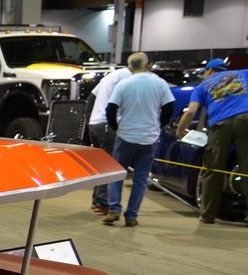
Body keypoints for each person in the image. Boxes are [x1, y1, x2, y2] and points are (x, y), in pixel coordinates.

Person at [102, 52, 174, 227]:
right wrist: (159, 125)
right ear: (148, 64)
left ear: (129, 67)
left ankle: (113, 209)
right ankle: (131, 216)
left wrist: (116, 127)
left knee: (117, 175)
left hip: (126, 135)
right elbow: (169, 106)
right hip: (149, 138)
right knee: (140, 179)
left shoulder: (124, 84)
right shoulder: (160, 83)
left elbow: (110, 109)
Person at [174, 58, 248, 224]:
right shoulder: (243, 73)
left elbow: (191, 111)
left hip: (220, 125)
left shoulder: (202, 86)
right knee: (247, 170)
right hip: (246, 120)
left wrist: (179, 132)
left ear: (208, 71)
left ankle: (207, 215)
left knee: (212, 170)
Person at [86, 65, 132, 213]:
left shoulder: (112, 75)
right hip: (107, 125)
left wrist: (90, 121)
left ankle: (97, 201)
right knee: (109, 165)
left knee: (100, 165)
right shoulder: (127, 77)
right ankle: (102, 202)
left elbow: (91, 97)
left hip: (95, 125)